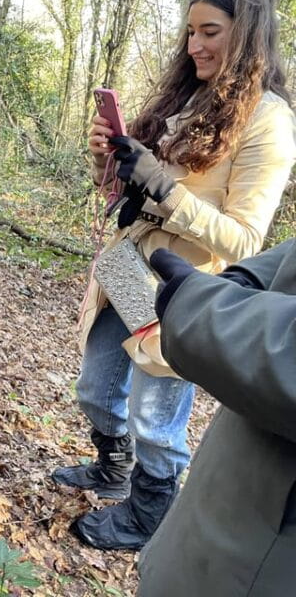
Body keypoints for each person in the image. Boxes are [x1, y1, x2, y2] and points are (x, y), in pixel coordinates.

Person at [52, 0, 296, 551]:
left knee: (154, 416)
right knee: (95, 388)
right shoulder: (188, 96)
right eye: (189, 32)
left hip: (178, 289)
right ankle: (111, 468)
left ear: (249, 35)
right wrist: (105, 160)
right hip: (125, 270)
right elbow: (118, 193)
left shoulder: (269, 119)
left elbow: (244, 240)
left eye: (210, 32)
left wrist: (164, 185)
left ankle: (148, 514)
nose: (194, 46)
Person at [133, 243, 296, 596]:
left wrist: (205, 306)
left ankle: (144, 508)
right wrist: (241, 279)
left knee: (155, 426)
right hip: (234, 502)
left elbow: (242, 234)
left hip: (263, 561)